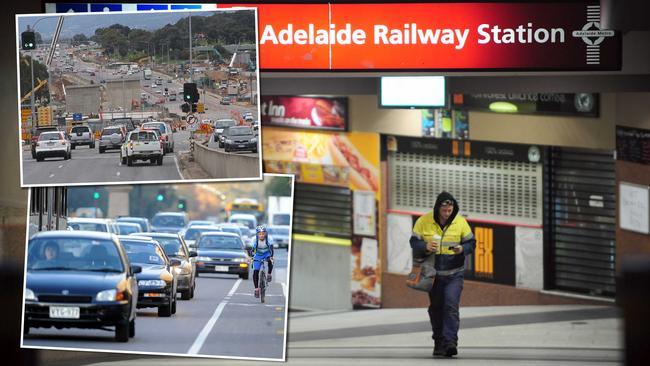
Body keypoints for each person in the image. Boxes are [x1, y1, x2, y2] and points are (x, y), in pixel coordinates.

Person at [410, 192, 476, 358]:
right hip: (433, 275)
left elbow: (471, 243)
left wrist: (463, 249)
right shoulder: (424, 221)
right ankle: (439, 341)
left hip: (455, 274)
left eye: (450, 210)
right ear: (438, 208)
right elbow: (413, 242)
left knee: (450, 306)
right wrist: (425, 246)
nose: (447, 213)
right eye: (444, 210)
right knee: (436, 308)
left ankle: (450, 342)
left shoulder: (460, 222)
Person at [251, 225, 274, 298]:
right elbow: (252, 250)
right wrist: (252, 257)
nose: (261, 235)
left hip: (266, 253)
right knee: (255, 271)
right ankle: (256, 289)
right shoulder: (254, 239)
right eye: (260, 234)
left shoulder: (269, 239)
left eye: (263, 233)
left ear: (266, 234)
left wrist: (271, 256)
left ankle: (269, 274)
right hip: (258, 254)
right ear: (257, 234)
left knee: (270, 260)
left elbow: (271, 250)